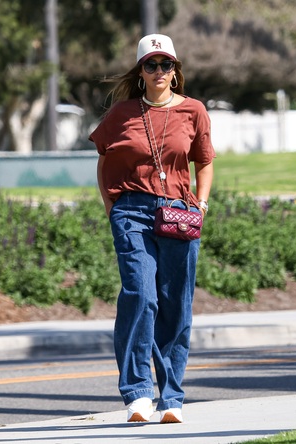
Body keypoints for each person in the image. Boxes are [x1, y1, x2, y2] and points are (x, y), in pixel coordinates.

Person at [89, 34, 216, 424]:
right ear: (140, 72)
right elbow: (103, 159)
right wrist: (113, 207)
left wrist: (202, 203)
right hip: (132, 211)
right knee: (141, 295)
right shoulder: (123, 112)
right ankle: (138, 393)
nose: (159, 71)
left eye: (166, 64)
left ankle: (172, 396)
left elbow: (204, 162)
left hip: (179, 211)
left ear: (175, 71)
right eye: (151, 65)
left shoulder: (194, 111)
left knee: (176, 304)